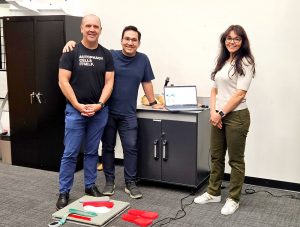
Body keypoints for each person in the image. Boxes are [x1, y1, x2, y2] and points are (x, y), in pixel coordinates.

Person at [63, 25, 163, 199]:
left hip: (128, 114)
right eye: (127, 39)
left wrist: (153, 102)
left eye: (134, 40)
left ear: (138, 43)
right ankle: (109, 182)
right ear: (121, 40)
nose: (130, 42)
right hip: (107, 111)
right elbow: (89, 50)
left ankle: (130, 183)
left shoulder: (143, 60)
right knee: (108, 148)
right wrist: (71, 43)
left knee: (131, 148)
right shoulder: (109, 56)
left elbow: (146, 83)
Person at [193, 25, 255, 215]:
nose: (232, 41)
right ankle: (213, 192)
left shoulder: (246, 61)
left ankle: (233, 198)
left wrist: (220, 114)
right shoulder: (223, 61)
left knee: (235, 160)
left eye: (236, 38)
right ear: (224, 40)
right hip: (218, 115)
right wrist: (214, 112)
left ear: (242, 41)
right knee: (216, 156)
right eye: (229, 38)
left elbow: (239, 94)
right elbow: (214, 90)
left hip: (236, 117)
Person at [56, 14, 114, 210]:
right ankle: (64, 191)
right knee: (70, 153)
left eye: (95, 26)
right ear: (81, 28)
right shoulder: (70, 52)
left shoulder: (106, 55)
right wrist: (77, 105)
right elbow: (62, 81)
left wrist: (99, 104)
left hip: (98, 112)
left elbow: (109, 82)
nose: (91, 29)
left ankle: (90, 186)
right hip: (75, 111)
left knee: (91, 152)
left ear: (100, 30)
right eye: (88, 26)